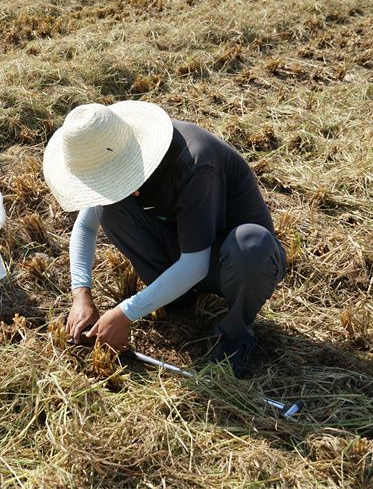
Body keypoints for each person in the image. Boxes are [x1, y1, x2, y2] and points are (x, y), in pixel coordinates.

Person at [42, 101, 286, 378]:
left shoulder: (194, 163)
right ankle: (176, 298)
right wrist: (81, 295)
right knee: (111, 210)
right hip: (185, 248)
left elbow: (197, 265)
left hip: (229, 260)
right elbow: (85, 227)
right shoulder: (112, 156)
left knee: (253, 245)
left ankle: (235, 337)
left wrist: (124, 314)